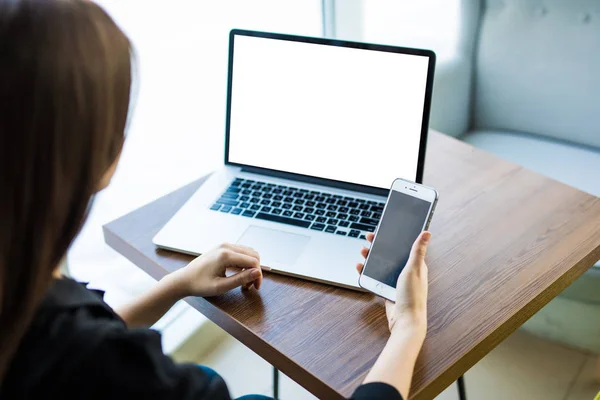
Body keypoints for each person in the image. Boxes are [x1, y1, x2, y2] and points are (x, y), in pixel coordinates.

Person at [0, 1, 430, 399]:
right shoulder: (117, 369)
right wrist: (408, 328)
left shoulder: (26, 294)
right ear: (102, 155)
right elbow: (90, 353)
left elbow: (64, 336)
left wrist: (178, 284)